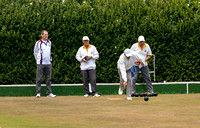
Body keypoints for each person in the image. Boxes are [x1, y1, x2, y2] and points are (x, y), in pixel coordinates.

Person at [34, 30, 56, 98]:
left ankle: (49, 93)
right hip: (40, 63)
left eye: (47, 34)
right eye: (45, 34)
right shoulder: (38, 43)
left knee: (48, 79)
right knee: (39, 78)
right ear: (42, 35)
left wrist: (50, 60)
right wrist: (38, 60)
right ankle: (38, 93)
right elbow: (35, 52)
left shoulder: (49, 42)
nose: (46, 36)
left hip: (48, 63)